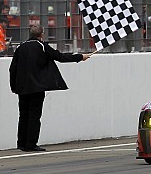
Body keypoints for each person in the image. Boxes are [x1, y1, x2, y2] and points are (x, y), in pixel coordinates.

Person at [8, 24, 90, 152]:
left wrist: (13, 86)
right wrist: (80, 57)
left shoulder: (20, 47)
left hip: (22, 88)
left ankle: (21, 143)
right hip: (37, 87)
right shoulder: (42, 47)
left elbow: (13, 68)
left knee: (23, 115)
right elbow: (60, 57)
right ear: (41, 34)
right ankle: (31, 144)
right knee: (34, 115)